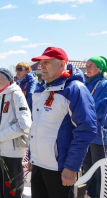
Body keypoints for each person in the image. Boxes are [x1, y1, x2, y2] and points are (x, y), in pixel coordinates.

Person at [28, 47, 97, 198]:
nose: (42, 66)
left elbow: (86, 130)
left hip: (60, 169)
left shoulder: (75, 89)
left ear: (62, 65)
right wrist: (32, 155)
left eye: (47, 62)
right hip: (38, 165)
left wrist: (71, 167)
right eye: (41, 62)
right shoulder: (40, 89)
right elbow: (37, 126)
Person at [0, 68, 32, 198]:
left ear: (9, 80)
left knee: (12, 192)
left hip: (12, 151)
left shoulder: (16, 95)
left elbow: (25, 124)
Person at [82, 56, 107, 198]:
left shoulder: (104, 85)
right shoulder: (85, 85)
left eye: (91, 65)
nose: (88, 67)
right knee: (87, 169)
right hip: (85, 135)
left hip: (99, 136)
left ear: (100, 68)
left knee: (99, 171)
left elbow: (100, 108)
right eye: (87, 65)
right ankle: (90, 195)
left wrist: (81, 114)